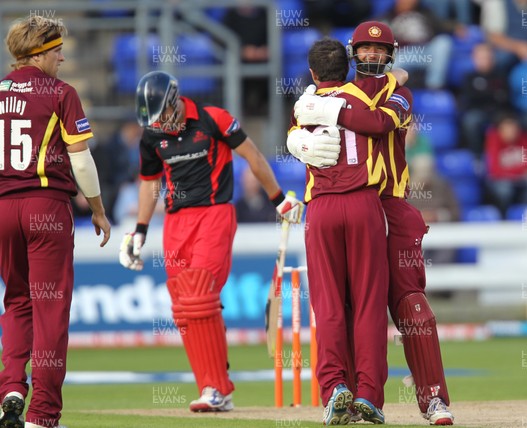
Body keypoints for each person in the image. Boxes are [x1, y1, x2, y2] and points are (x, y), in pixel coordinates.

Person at [291, 20, 454, 426]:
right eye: (364, 50)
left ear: (390, 55)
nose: (371, 57)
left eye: (378, 52)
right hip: (358, 204)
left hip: (389, 206)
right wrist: (295, 137)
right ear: (352, 55)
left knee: (411, 305)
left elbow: (379, 122)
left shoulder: (396, 92)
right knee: (347, 306)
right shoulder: (335, 92)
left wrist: (321, 109)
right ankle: (349, 396)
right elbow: (309, 121)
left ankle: (433, 400)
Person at [118, 71, 303, 413]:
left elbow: (253, 156)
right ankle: (212, 386)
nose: (162, 125)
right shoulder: (151, 137)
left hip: (214, 214)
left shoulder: (211, 118)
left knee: (201, 292)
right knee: (185, 307)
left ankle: (216, 387)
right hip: (175, 222)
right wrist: (140, 230)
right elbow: (149, 183)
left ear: (175, 101)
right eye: (154, 120)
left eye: (164, 115)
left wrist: (278, 199)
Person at [0, 15, 111, 428]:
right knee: (50, 309)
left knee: (15, 302)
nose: (63, 57)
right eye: (56, 50)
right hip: (46, 206)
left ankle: (11, 387)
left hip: (3, 208)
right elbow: (80, 159)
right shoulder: (61, 93)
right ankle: (42, 415)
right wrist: (97, 209)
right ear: (39, 52)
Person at [287, 37, 395, 425]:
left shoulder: (304, 106)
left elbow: (297, 138)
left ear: (313, 72)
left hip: (322, 208)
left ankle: (334, 388)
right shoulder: (365, 99)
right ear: (348, 68)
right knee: (368, 304)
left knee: (329, 304)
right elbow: (384, 124)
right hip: (364, 203)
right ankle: (368, 393)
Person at [459, 43, 510, 157]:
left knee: (509, 124)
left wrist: (484, 94)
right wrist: (492, 94)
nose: (485, 61)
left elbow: (504, 98)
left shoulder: (500, 76)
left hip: (498, 112)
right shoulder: (469, 77)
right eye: (481, 58)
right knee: (471, 121)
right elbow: (470, 98)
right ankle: (477, 156)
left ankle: (504, 158)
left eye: (487, 57)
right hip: (477, 111)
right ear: (474, 59)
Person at [484, 113, 527, 215]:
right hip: (501, 180)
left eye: (514, 128)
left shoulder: (522, 139)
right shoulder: (493, 140)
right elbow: (495, 170)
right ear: (500, 130)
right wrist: (518, 171)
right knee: (505, 191)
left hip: (518, 179)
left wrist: (517, 172)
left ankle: (522, 213)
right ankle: (504, 216)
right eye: (507, 128)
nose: (511, 132)